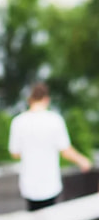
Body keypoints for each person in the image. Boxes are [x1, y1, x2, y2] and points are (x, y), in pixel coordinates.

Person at [8, 82, 91, 211]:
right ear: (46, 99)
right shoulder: (55, 120)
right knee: (51, 219)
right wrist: (83, 161)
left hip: (29, 184)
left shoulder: (18, 122)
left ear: (30, 100)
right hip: (50, 183)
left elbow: (15, 153)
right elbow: (65, 150)